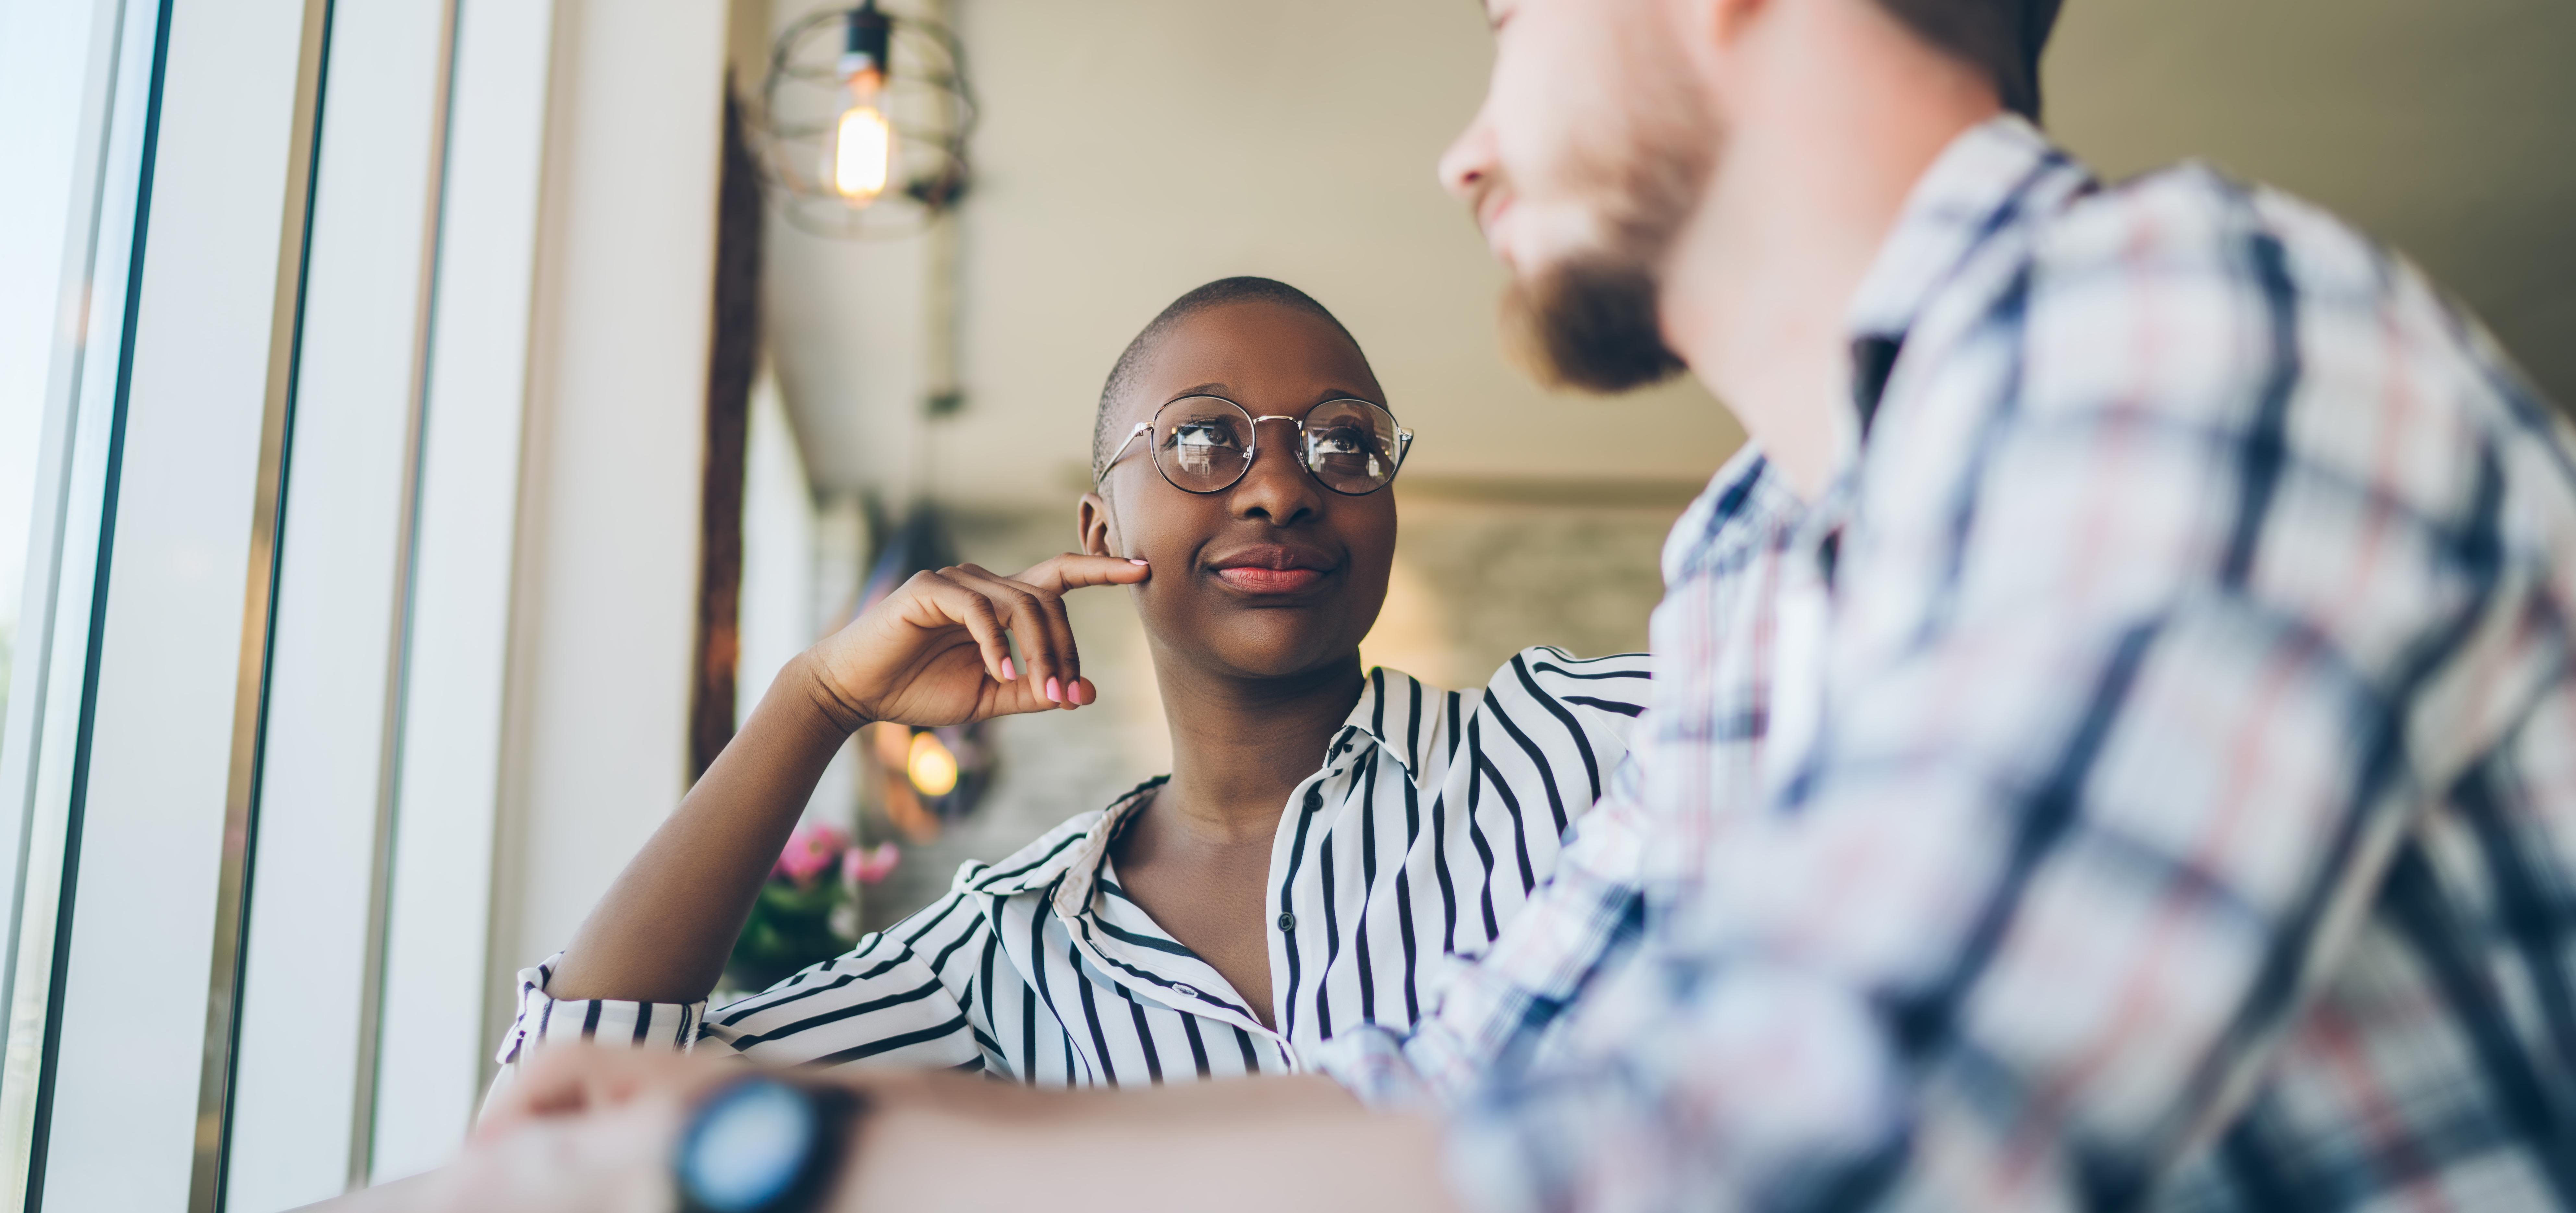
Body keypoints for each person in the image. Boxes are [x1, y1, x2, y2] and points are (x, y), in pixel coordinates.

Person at [336, 0, 2576, 1208]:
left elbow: (1795, 1157)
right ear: (1106, 507)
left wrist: (779, 1168)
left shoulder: (2186, 329)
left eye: (1510, 13)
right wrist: (636, 1150)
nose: (1464, 144)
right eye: (1208, 444)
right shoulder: (1761, 581)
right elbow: (1485, 1086)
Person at [491, 275, 1652, 1087]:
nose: (1282, 488)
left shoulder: (1580, 747)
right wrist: (818, 704)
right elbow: (577, 1115)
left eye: (1342, 441)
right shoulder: (1002, 954)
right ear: (1100, 524)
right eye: (1204, 440)